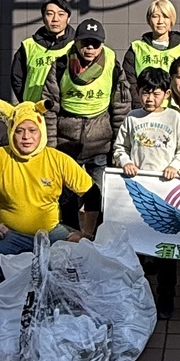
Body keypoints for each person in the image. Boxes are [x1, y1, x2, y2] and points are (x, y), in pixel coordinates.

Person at [0, 99, 101, 277]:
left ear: (41, 131)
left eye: (32, 130)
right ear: (11, 131)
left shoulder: (57, 159)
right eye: (19, 131)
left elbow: (92, 193)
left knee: (83, 254)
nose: (26, 137)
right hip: (7, 234)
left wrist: (86, 233)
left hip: (50, 233)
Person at [112, 67, 180, 320]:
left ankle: (166, 297)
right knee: (135, 249)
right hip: (136, 194)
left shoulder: (174, 118)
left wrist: (175, 166)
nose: (150, 99)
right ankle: (134, 298)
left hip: (167, 194)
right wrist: (124, 161)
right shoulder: (132, 118)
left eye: (156, 94)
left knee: (165, 250)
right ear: (138, 93)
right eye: (145, 93)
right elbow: (119, 148)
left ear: (167, 94)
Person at [42, 18, 131, 226]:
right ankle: (69, 232)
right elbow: (50, 108)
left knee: (98, 193)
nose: (90, 48)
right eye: (85, 43)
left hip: (100, 143)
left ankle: (96, 234)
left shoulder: (113, 65)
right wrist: (51, 147)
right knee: (66, 195)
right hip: (66, 143)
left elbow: (120, 108)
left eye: (95, 44)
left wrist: (119, 147)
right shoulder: (60, 64)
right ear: (76, 42)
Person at [123, 0, 180, 109]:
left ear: (172, 20)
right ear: (148, 20)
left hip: (174, 109)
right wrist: (140, 106)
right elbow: (130, 82)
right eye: (155, 16)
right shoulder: (136, 48)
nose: (160, 21)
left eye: (165, 17)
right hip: (144, 109)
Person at [10, 0, 75, 104]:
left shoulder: (76, 45)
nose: (55, 19)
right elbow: (17, 79)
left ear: (68, 18)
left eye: (61, 14)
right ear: (43, 17)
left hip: (65, 112)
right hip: (35, 110)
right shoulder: (28, 45)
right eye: (50, 14)